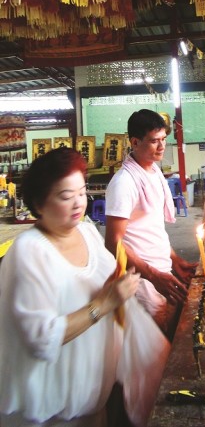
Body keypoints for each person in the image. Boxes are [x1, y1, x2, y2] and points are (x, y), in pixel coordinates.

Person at [0, 147, 140, 427]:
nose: (79, 202)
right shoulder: (30, 253)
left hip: (93, 399)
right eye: (66, 196)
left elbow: (109, 279)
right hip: (51, 413)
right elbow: (41, 338)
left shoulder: (87, 231)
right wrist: (103, 305)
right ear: (39, 204)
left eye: (82, 191)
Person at [105, 109, 196, 339]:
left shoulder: (154, 171)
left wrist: (175, 259)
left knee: (171, 334)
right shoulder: (124, 183)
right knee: (154, 342)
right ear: (135, 142)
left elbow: (152, 228)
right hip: (141, 279)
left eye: (164, 139)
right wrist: (153, 276)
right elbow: (113, 244)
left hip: (162, 269)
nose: (162, 146)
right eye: (154, 141)